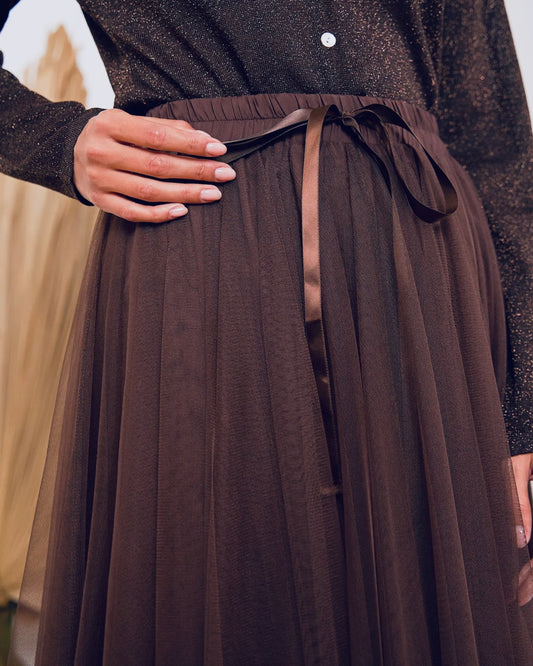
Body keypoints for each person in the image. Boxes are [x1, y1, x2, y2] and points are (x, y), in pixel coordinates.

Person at [2, 0, 533, 663]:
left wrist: (522, 407)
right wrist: (55, 141)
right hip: (204, 248)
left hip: (419, 269)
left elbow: (495, 145)